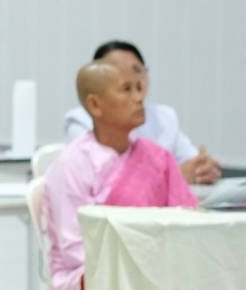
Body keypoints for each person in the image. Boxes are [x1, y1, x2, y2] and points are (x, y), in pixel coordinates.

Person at [44, 61, 198, 290]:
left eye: (139, 88)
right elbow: (74, 248)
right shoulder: (72, 165)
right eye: (126, 90)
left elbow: (186, 218)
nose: (139, 98)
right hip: (92, 277)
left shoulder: (157, 158)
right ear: (95, 105)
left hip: (154, 268)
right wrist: (138, 263)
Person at [62, 40, 220, 185]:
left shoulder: (163, 120)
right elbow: (111, 185)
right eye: (125, 86)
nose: (137, 96)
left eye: (138, 72)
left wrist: (202, 169)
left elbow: (194, 163)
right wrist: (173, 176)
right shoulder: (81, 128)